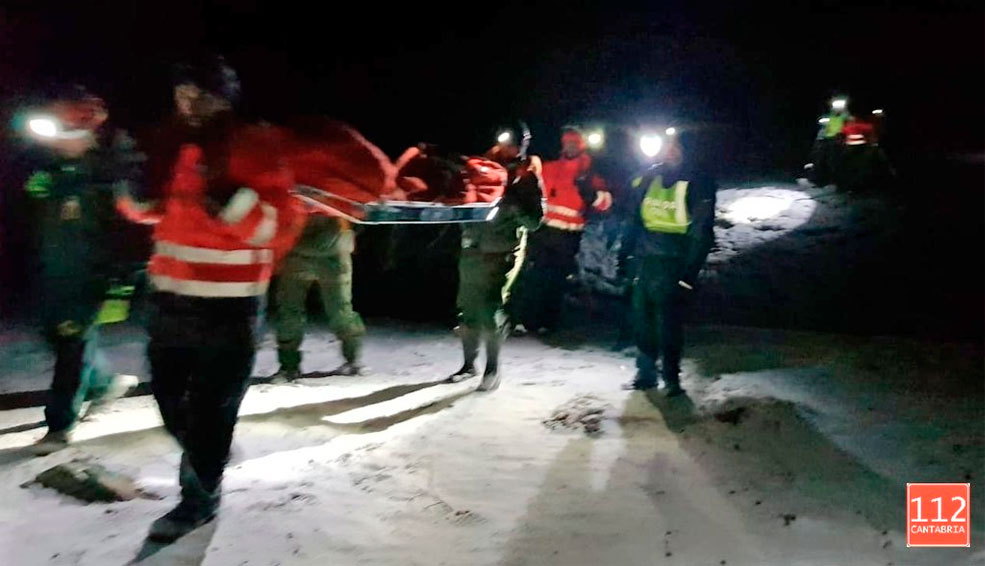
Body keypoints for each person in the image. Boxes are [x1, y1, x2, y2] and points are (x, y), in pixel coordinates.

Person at [116, 57, 304, 542]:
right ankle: (208, 455)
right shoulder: (173, 144)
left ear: (224, 99)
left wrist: (232, 201)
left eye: (199, 95)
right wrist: (132, 194)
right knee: (169, 400)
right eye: (182, 94)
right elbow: (156, 214)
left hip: (230, 306)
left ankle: (199, 498)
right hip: (170, 299)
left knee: (211, 410)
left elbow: (278, 229)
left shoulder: (256, 146)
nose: (188, 105)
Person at [25, 86, 140, 455]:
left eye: (68, 136)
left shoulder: (112, 175)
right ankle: (106, 383)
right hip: (55, 271)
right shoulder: (55, 168)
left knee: (71, 346)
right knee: (56, 337)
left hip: (92, 275)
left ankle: (59, 425)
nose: (60, 143)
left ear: (90, 136)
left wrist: (121, 279)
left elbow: (128, 229)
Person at [447, 122, 543, 390]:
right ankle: (468, 366)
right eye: (504, 142)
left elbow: (535, 220)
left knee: (490, 309)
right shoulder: (482, 168)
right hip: (473, 248)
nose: (507, 148)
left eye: (512, 144)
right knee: (467, 309)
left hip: (503, 251)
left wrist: (513, 206)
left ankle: (492, 369)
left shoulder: (526, 176)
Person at [620, 131, 716, 396]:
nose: (669, 152)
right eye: (668, 147)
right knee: (642, 320)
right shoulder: (648, 177)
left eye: (676, 148)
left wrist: (689, 274)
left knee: (668, 323)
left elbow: (702, 232)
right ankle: (646, 372)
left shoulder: (698, 182)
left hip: (673, 262)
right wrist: (624, 254)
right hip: (644, 260)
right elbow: (633, 219)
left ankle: (671, 378)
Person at [513, 126, 611, 335]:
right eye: (567, 142)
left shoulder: (589, 173)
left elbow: (606, 203)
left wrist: (591, 194)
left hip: (568, 234)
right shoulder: (550, 168)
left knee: (555, 279)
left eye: (574, 143)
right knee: (534, 275)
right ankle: (527, 320)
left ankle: (548, 323)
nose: (570, 146)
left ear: (581, 146)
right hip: (544, 230)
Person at [270, 213, 365, 381]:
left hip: (321, 253)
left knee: (294, 313)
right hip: (324, 252)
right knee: (337, 312)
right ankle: (352, 360)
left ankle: (289, 367)